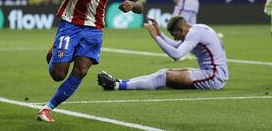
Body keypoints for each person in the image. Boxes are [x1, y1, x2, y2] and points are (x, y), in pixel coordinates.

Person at [36, 0, 143, 122]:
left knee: (82, 70)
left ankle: (47, 109)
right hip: (71, 22)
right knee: (58, 74)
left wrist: (132, 4)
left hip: (95, 27)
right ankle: (54, 53)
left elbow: (140, 5)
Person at [98, 16, 229, 91]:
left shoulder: (194, 33)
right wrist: (160, 34)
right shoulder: (195, 29)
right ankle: (119, 82)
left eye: (175, 35)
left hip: (213, 77)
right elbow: (177, 45)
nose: (175, 38)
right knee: (163, 72)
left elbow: (177, 54)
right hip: (213, 73)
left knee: (164, 77)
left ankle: (116, 86)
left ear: (181, 29)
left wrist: (156, 37)